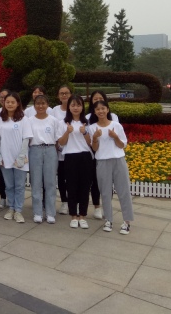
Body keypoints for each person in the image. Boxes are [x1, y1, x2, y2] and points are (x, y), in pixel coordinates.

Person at [88, 99, 134, 235]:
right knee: (105, 192)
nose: (101, 111)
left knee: (124, 191)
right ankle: (108, 220)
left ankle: (127, 221)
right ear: (94, 112)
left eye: (103, 108)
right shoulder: (92, 128)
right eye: (98, 109)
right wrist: (95, 138)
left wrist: (115, 137)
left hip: (118, 160)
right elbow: (94, 148)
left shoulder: (116, 125)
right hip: (102, 161)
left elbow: (122, 145)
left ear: (107, 110)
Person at [0, 92, 32, 223]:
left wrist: (21, 156)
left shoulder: (24, 119)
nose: (10, 104)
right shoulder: (0, 119)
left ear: (18, 104)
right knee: (9, 185)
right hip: (6, 158)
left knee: (20, 186)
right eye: (7, 102)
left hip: (20, 159)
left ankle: (18, 211)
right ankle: (11, 208)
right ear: (4, 103)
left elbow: (26, 139)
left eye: (12, 102)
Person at [57, 95, 92, 228]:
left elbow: (91, 143)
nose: (76, 108)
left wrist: (84, 133)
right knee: (71, 186)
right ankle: (73, 215)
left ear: (82, 107)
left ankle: (82, 215)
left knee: (84, 187)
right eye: (73, 105)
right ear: (69, 107)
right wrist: (67, 132)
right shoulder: (63, 123)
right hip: (70, 157)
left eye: (78, 105)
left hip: (85, 157)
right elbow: (61, 143)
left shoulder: (87, 122)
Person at [28, 94, 62, 224]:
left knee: (50, 183)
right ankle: (37, 212)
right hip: (35, 150)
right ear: (34, 105)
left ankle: (50, 213)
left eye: (43, 103)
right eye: (38, 103)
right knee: (36, 182)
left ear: (47, 105)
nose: (40, 106)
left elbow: (57, 139)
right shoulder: (29, 120)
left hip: (50, 149)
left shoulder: (53, 120)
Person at [86, 90, 119, 220]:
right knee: (96, 181)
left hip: (109, 153)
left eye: (101, 98)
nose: (98, 101)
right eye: (95, 99)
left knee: (108, 182)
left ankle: (107, 206)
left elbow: (117, 133)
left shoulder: (113, 116)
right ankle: (97, 207)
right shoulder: (88, 117)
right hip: (94, 152)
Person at [52, 85, 73, 215]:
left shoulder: (74, 109)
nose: (64, 95)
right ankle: (64, 202)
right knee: (61, 178)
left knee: (72, 178)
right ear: (58, 96)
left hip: (73, 150)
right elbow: (52, 128)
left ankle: (73, 201)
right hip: (59, 149)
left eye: (66, 93)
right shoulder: (55, 110)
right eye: (61, 93)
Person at [0, 88, 11, 208]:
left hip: (13, 149)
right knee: (2, 174)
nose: (2, 99)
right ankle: (3, 198)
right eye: (1, 97)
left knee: (12, 176)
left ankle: (12, 198)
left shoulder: (18, 113)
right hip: (1, 148)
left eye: (5, 97)